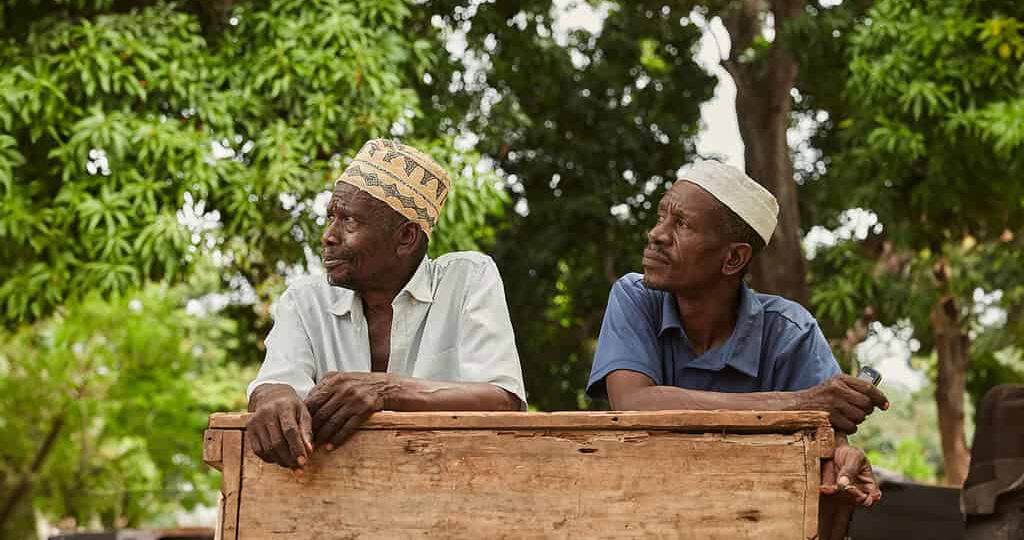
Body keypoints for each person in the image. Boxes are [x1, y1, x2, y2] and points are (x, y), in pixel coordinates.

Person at [587, 160, 888, 531]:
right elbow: (633, 403)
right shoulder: (636, 297)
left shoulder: (791, 334)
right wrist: (797, 404)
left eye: (681, 224)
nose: (656, 234)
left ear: (732, 258)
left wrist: (841, 465)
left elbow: (829, 444)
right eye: (662, 216)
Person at [247, 139, 526, 470]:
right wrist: (272, 397)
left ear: (406, 237)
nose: (328, 236)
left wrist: (385, 390)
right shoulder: (305, 300)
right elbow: (275, 384)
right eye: (331, 217)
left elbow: (501, 399)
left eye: (349, 221)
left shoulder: (468, 279)